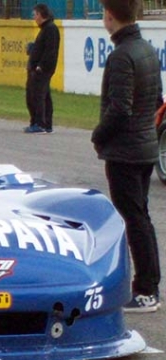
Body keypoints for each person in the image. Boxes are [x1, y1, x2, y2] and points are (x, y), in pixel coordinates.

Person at [91, 0, 163, 313]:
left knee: (133, 219)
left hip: (126, 151)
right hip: (145, 145)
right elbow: (157, 97)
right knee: (139, 217)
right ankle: (147, 285)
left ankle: (146, 289)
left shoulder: (122, 55)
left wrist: (98, 135)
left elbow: (119, 109)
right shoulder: (146, 48)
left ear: (109, 16)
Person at [24, 3, 60, 134]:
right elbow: (42, 47)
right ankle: (44, 124)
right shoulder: (45, 29)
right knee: (43, 96)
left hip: (42, 69)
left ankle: (40, 123)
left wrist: (41, 66)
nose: (34, 18)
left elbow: (51, 50)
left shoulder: (50, 29)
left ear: (40, 15)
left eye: (35, 15)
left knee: (37, 96)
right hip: (38, 67)